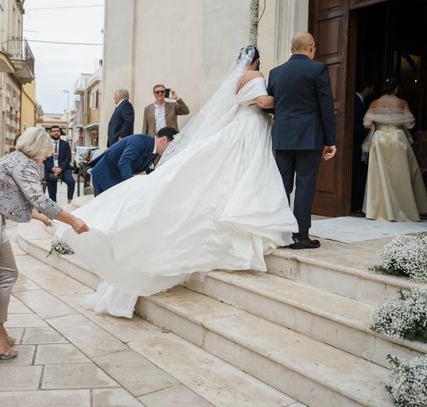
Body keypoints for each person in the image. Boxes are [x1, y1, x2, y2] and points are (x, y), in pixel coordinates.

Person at [54, 46, 297, 318]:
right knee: (245, 172)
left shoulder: (234, 80)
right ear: (256, 61)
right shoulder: (256, 75)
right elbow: (263, 103)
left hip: (238, 126)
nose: (159, 95)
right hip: (250, 128)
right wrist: (288, 100)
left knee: (231, 174)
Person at [0, 127, 89, 359]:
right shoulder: (25, 164)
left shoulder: (13, 158)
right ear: (38, 149)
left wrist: (39, 216)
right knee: (8, 273)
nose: (45, 158)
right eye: (46, 153)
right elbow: (37, 197)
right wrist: (73, 220)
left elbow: (7, 195)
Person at [268, 32, 336, 250]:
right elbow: (326, 106)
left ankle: (279, 233)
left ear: (291, 49)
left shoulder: (275, 73)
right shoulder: (317, 69)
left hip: (282, 136)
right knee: (305, 186)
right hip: (309, 136)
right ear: (311, 47)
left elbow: (272, 104)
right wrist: (330, 140)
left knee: (282, 186)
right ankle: (300, 236)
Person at [362, 77, 427, 221]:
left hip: (380, 139)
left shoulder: (375, 103)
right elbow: (409, 123)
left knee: (379, 175)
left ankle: (379, 211)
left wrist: (379, 123)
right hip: (397, 138)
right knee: (401, 174)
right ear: (396, 88)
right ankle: (403, 209)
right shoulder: (402, 102)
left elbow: (367, 124)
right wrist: (395, 121)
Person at [89, 128, 176, 196]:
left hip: (115, 175)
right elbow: (124, 162)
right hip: (105, 174)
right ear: (163, 140)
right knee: (103, 212)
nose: (170, 150)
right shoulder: (139, 141)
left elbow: (150, 169)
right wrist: (131, 186)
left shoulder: (154, 150)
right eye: (171, 146)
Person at [352, 82, 375, 213]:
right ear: (366, 88)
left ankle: (356, 204)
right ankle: (354, 204)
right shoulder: (356, 101)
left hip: (358, 143)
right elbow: (354, 124)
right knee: (355, 173)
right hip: (354, 143)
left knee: (358, 173)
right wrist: (364, 137)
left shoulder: (361, 102)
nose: (372, 91)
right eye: (371, 88)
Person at [43, 126, 76, 204]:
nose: (56, 132)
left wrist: (60, 168)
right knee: (52, 192)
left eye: (57, 131)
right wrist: (52, 168)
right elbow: (43, 158)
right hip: (51, 170)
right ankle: (54, 205)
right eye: (54, 131)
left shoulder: (65, 144)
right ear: (50, 133)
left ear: (60, 132)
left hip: (64, 169)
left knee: (71, 182)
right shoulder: (46, 144)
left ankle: (69, 201)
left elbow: (68, 158)